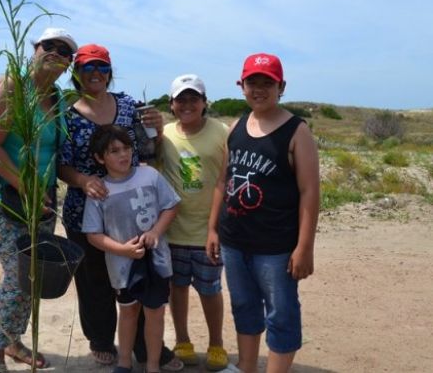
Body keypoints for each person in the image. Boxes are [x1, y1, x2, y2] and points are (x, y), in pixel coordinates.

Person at [58, 44, 183, 371]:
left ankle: (145, 348)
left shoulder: (130, 106)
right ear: (76, 74)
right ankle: (101, 340)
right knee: (94, 280)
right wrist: (84, 181)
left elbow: (148, 148)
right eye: (87, 68)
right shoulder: (66, 115)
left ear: (110, 71)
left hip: (134, 209)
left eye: (101, 67)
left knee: (139, 279)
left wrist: (158, 126)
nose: (95, 73)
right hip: (86, 208)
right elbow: (61, 165)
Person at [206, 53, 320, 373]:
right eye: (252, 82)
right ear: (241, 86)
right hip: (234, 240)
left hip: (276, 246)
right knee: (244, 307)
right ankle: (245, 367)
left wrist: (304, 246)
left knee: (281, 313)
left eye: (267, 82)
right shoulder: (236, 127)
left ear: (280, 86)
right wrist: (213, 229)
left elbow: (310, 192)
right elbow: (222, 180)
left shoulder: (297, 131)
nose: (259, 89)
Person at [0, 27, 74, 373]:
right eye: (50, 46)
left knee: (35, 273)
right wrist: (25, 185)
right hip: (0, 191)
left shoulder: (58, 98)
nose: (57, 54)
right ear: (35, 48)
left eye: (65, 51)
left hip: (40, 197)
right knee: (17, 273)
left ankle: (14, 340)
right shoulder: (14, 86)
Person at [82, 125, 181, 373]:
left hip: (156, 260)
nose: (123, 155)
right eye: (114, 151)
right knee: (128, 312)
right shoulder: (99, 191)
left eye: (126, 148)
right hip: (121, 266)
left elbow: (171, 206)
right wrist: (121, 249)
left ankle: (153, 365)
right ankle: (124, 363)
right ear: (99, 157)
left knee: (155, 313)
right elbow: (93, 234)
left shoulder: (150, 176)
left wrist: (155, 232)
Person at [157, 74, 230, 371]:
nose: (187, 104)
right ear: (172, 104)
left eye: (193, 98)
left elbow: (226, 181)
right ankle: (183, 341)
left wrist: (216, 228)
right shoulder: (163, 136)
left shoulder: (223, 133)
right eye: (181, 99)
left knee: (210, 290)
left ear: (204, 102)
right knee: (177, 288)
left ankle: (216, 344)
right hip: (173, 231)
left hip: (208, 232)